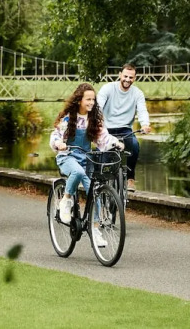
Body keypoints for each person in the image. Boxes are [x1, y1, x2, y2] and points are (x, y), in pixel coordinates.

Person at [50, 83, 124, 247]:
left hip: (86, 159)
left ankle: (95, 229)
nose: (91, 102)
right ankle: (66, 200)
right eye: (88, 99)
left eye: (93, 99)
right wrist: (59, 143)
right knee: (76, 172)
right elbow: (56, 134)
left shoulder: (94, 119)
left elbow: (103, 138)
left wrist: (115, 143)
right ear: (79, 100)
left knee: (94, 191)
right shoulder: (68, 117)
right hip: (67, 156)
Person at [97, 64, 152, 192]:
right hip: (107, 129)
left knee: (135, 146)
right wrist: (97, 122)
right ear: (120, 75)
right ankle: (102, 185)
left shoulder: (137, 93)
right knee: (103, 161)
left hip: (125, 129)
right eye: (125, 76)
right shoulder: (108, 88)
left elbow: (142, 110)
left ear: (135, 78)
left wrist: (145, 124)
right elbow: (98, 106)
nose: (127, 79)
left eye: (131, 77)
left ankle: (130, 179)